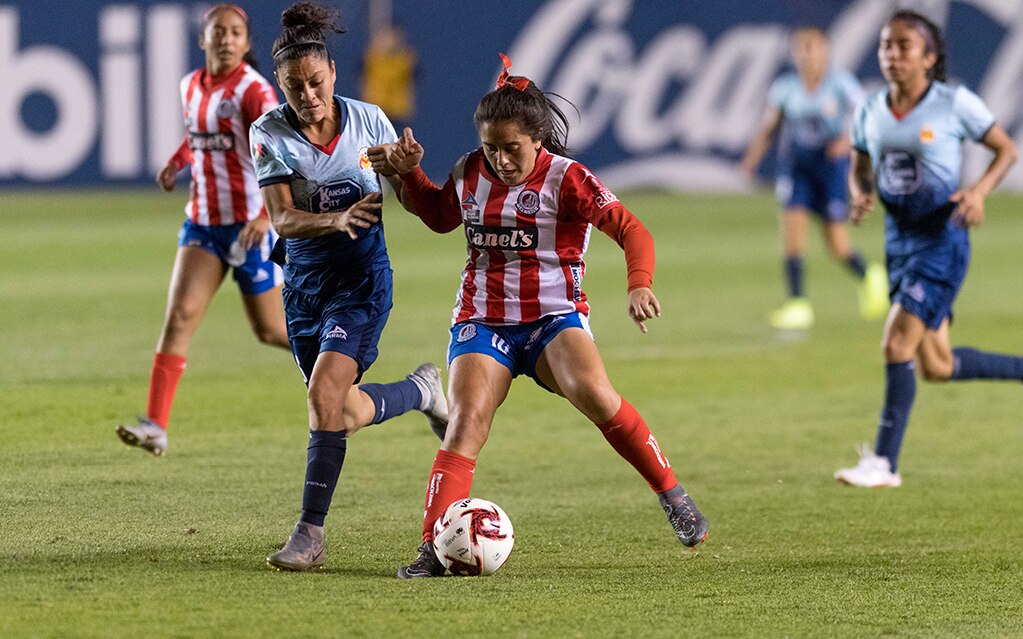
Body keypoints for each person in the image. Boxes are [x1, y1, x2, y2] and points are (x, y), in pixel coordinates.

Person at [376, 54, 710, 579]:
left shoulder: (568, 179)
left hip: (554, 318)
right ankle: (433, 548)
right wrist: (410, 174)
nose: (501, 159)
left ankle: (672, 494)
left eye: (511, 148)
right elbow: (440, 217)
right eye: (491, 147)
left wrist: (639, 283)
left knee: (596, 395)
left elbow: (631, 229)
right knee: (465, 424)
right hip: (483, 318)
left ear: (537, 139)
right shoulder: (470, 170)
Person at [249, 2, 448, 571]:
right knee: (339, 411)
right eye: (295, 86)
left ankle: (309, 535)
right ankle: (420, 391)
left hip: (361, 282)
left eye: (316, 81)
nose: (308, 94)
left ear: (334, 72)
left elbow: (416, 205)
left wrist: (407, 169)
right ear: (280, 84)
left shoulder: (370, 121)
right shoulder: (269, 133)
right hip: (303, 287)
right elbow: (282, 219)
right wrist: (334, 219)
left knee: (323, 398)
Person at [834, 10, 1020, 488]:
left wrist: (978, 192)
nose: (891, 55)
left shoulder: (953, 103)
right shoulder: (871, 109)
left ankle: (884, 463)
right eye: (886, 45)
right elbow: (860, 162)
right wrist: (860, 192)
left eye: (904, 46)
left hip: (943, 241)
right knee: (936, 366)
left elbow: (1006, 150)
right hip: (899, 243)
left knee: (896, 343)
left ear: (929, 58)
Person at [116, 3, 290, 457]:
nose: (226, 39)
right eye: (218, 31)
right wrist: (177, 162)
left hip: (250, 226)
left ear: (246, 43)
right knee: (180, 316)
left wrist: (266, 215)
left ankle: (339, 362)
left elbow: (280, 151)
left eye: (235, 33)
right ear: (202, 38)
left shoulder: (254, 90)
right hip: (203, 223)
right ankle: (155, 426)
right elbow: (198, 136)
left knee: (271, 330)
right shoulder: (190, 85)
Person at [741, 26, 888, 331]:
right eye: (801, 48)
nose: (807, 55)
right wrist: (752, 158)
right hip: (798, 166)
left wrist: (847, 141)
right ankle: (797, 304)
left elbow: (869, 116)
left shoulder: (840, 84)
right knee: (792, 233)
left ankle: (870, 275)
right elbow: (770, 127)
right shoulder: (785, 88)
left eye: (813, 47)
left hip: (830, 167)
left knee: (836, 245)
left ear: (825, 51)